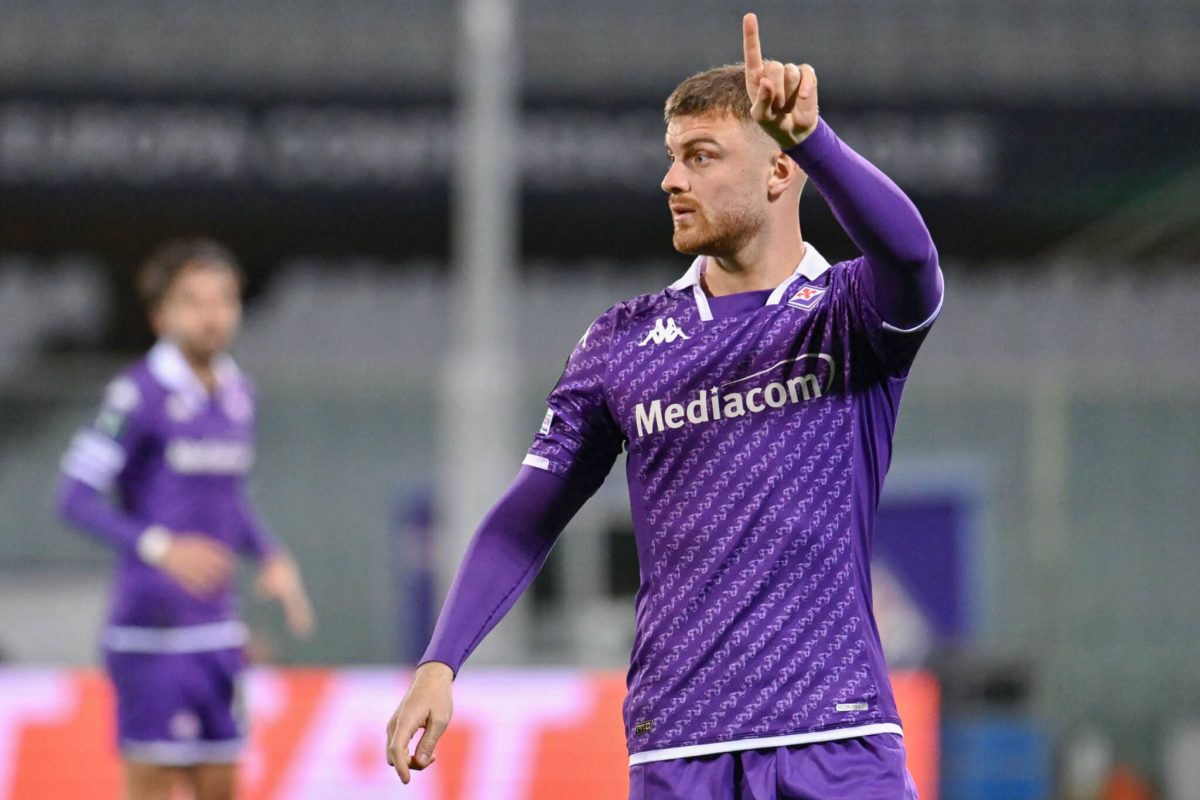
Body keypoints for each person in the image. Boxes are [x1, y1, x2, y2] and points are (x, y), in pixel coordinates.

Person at [386, 13, 943, 799]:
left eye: (701, 156)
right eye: (673, 157)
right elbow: (526, 518)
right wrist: (440, 662)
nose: (672, 180)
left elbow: (913, 260)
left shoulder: (846, 314)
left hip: (837, 734)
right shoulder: (622, 342)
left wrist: (817, 139)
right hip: (680, 745)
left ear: (778, 172)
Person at [57, 239, 315, 800]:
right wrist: (159, 547)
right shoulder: (136, 396)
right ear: (161, 316)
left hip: (218, 629)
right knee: (152, 783)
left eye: (224, 299)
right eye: (193, 301)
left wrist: (269, 554)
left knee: (222, 782)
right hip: (152, 630)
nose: (211, 314)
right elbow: (74, 497)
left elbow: (228, 498)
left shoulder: (239, 394)